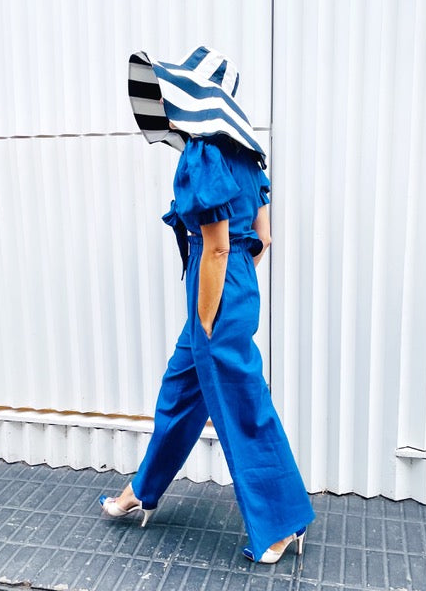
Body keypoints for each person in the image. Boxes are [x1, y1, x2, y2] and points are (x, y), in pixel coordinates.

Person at [99, 46, 315, 564]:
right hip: (233, 283)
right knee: (178, 394)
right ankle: (141, 492)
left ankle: (284, 522)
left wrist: (207, 311)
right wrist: (234, 283)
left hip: (214, 288)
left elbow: (215, 244)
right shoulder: (245, 156)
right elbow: (262, 238)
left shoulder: (203, 154)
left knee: (242, 408)